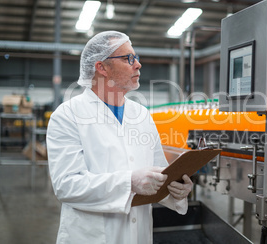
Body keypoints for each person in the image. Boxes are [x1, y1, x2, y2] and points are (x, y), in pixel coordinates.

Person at [46, 31, 193, 244]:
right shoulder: (68, 115)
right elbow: (67, 185)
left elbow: (159, 172)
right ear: (101, 67)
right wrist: (129, 182)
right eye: (128, 59)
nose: (138, 65)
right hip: (91, 236)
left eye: (137, 58)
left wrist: (176, 190)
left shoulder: (142, 114)